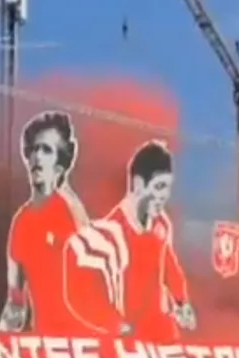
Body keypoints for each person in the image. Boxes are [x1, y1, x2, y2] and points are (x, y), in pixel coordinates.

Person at [63, 141, 195, 340]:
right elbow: (83, 295)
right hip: (130, 343)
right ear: (138, 184)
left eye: (167, 188)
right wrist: (116, 325)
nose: (164, 196)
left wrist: (182, 303)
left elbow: (169, 265)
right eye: (159, 187)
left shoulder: (160, 224)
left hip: (161, 336)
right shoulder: (111, 234)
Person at [0, 111, 90, 333]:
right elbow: (15, 305)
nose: (37, 157)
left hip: (78, 347)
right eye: (33, 149)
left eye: (47, 150)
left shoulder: (72, 212)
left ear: (61, 163)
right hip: (44, 350)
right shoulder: (21, 222)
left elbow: (94, 290)